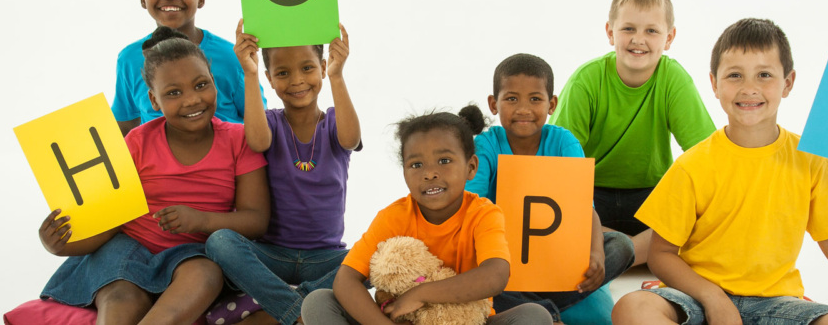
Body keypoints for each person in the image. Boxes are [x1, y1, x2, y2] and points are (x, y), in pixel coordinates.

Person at [612, 18, 828, 325]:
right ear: (714, 84)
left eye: (764, 75)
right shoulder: (693, 164)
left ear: (788, 83)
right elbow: (661, 255)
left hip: (776, 305)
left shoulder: (811, 160)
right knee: (632, 308)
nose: (749, 88)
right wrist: (713, 298)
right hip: (696, 298)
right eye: (735, 75)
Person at [39, 27, 270, 324]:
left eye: (201, 85)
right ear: (154, 100)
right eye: (173, 93)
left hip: (195, 253)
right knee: (122, 298)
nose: (191, 100)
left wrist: (200, 220)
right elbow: (110, 222)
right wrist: (57, 244)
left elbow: (256, 220)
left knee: (206, 275)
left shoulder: (239, 140)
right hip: (130, 248)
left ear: (214, 82)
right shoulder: (137, 142)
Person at [301, 111, 553, 324]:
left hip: (464, 321)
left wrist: (422, 293)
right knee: (318, 302)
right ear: (404, 172)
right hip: (403, 320)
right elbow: (346, 280)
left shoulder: (483, 214)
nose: (430, 173)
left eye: (444, 161)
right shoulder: (393, 217)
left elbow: (496, 275)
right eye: (416, 165)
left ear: (471, 168)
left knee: (535, 315)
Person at [205, 20, 361, 324]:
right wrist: (249, 74)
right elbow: (256, 140)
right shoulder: (270, 124)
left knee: (378, 257)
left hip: (325, 257)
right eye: (283, 73)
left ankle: (293, 297)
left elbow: (351, 139)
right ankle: (298, 311)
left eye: (307, 68)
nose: (297, 80)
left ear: (322, 67)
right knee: (219, 241)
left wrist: (337, 76)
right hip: (273, 254)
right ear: (270, 79)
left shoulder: (333, 123)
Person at [550, 0, 715, 265]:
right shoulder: (586, 80)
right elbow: (556, 161)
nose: (639, 39)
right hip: (592, 196)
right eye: (628, 29)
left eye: (651, 30)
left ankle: (617, 252)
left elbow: (706, 156)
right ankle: (634, 252)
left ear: (669, 37)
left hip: (651, 196)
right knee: (554, 211)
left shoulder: (673, 78)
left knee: (707, 213)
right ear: (610, 32)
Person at [464, 53, 634, 322]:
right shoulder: (486, 145)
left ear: (552, 104)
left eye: (535, 99)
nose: (523, 109)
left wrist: (596, 254)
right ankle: (549, 310)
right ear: (493, 104)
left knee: (621, 245)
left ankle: (535, 307)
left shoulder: (563, 142)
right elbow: (471, 207)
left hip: (556, 259)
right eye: (511, 99)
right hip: (503, 263)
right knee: (467, 272)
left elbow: (584, 209)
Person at [112, 0, 263, 136]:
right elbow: (125, 127)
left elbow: (258, 119)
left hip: (230, 160)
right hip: (161, 164)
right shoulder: (129, 59)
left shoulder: (231, 56)